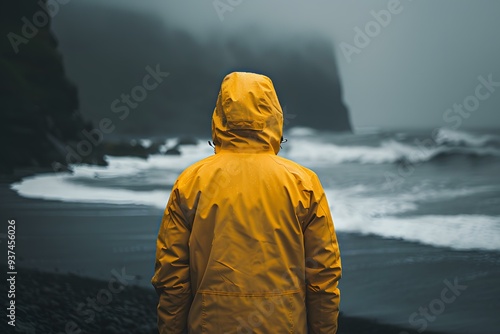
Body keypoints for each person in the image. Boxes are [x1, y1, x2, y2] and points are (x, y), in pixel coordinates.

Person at [151, 72, 341, 333]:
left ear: (221, 115)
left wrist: (170, 330)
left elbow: (172, 276)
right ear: (274, 115)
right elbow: (323, 275)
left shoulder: (192, 181)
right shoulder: (303, 182)